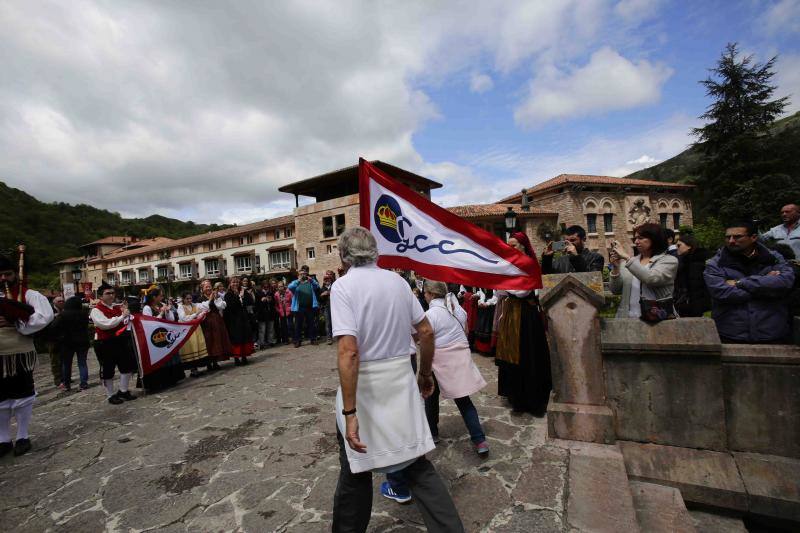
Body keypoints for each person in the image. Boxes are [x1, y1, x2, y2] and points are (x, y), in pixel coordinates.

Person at [331, 227, 464, 532]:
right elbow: (426, 332)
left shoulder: (343, 288)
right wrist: (425, 373)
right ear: (374, 251)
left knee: (354, 472)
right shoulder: (398, 282)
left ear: (343, 254)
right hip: (400, 378)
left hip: (365, 386)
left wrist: (349, 413)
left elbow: (349, 352)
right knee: (416, 464)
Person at [422, 281, 488, 454]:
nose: (424, 295)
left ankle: (433, 433)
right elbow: (465, 330)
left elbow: (426, 340)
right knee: (463, 400)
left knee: (430, 397)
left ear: (430, 293)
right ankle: (479, 439)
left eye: (425, 292)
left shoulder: (430, 315)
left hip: (440, 360)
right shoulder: (457, 309)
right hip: (459, 357)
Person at [704, 221, 795, 343]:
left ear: (753, 238)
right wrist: (765, 286)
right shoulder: (715, 263)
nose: (731, 241)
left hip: (771, 331)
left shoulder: (773, 258)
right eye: (728, 237)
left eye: (737, 237)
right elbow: (721, 292)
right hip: (732, 333)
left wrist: (740, 283)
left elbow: (785, 282)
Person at [0, 254, 54, 456]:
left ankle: (22, 435)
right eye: (0, 275)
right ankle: (3, 439)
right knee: (1, 398)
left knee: (22, 393)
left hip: (18, 352)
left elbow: (44, 316)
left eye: (7, 274)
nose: (3, 279)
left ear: (15, 274)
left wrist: (16, 322)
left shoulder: (29, 295)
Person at [494, 232, 552, 416]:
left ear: (524, 247)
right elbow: (499, 293)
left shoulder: (529, 265)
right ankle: (515, 397)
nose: (511, 249)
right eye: (508, 246)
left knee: (527, 355)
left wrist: (504, 283)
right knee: (511, 356)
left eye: (514, 246)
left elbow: (522, 292)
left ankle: (531, 399)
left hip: (526, 316)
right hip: (511, 313)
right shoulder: (508, 266)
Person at [609, 223, 679, 319]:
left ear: (654, 239)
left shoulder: (669, 260)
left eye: (641, 238)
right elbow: (615, 290)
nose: (636, 242)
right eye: (635, 239)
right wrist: (616, 268)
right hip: (629, 319)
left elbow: (651, 278)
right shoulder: (630, 262)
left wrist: (626, 256)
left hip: (658, 319)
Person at [90, 282, 137, 404]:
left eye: (112, 293)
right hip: (105, 342)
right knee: (108, 369)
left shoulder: (117, 307)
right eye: (108, 293)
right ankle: (110, 395)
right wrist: (122, 317)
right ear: (100, 296)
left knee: (126, 366)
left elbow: (126, 321)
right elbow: (105, 324)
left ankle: (123, 390)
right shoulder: (96, 310)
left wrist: (127, 316)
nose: (111, 295)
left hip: (120, 341)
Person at [141, 287, 185, 389]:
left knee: (169, 356)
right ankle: (160, 381)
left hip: (166, 335)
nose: (162, 297)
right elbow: (149, 322)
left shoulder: (162, 305)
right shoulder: (147, 308)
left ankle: (172, 378)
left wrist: (167, 311)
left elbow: (171, 319)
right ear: (154, 297)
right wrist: (161, 313)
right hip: (156, 337)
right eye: (160, 295)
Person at [56, 296, 90, 391]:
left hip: (67, 342)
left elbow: (54, 326)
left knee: (66, 364)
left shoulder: (63, 315)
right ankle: (84, 383)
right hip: (82, 341)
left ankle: (66, 384)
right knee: (82, 363)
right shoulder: (84, 314)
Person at [673, 234, 711, 317]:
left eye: (679, 245)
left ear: (689, 246)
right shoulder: (684, 261)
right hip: (686, 303)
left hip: (693, 304)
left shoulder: (696, 263)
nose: (677, 248)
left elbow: (696, 286)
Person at [197, 280, 228, 371]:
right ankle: (208, 363)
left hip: (216, 319)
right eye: (206, 287)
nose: (209, 288)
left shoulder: (216, 296)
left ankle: (215, 361)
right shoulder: (200, 298)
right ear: (202, 289)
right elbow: (204, 308)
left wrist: (217, 298)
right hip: (206, 321)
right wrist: (211, 299)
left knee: (216, 340)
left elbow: (222, 306)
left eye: (210, 286)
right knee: (208, 341)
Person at [177, 292, 209, 378]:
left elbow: (203, 312)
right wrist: (196, 314)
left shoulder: (195, 305)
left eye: (190, 298)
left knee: (197, 346)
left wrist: (201, 315)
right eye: (187, 299)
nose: (189, 300)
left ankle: (196, 369)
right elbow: (184, 318)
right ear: (183, 299)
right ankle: (192, 369)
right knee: (190, 347)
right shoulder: (180, 307)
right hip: (187, 329)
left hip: (196, 328)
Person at [224, 277, 254, 365]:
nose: (235, 284)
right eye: (233, 282)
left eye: (237, 282)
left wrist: (244, 296)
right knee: (236, 338)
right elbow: (231, 307)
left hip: (243, 318)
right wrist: (237, 296)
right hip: (234, 320)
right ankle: (236, 358)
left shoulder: (243, 291)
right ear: (230, 284)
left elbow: (250, 302)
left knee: (244, 336)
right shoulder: (228, 294)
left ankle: (244, 357)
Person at [288, 266, 320, 347]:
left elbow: (317, 286)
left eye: (304, 274)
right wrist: (298, 280)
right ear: (298, 275)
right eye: (301, 274)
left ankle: (313, 339)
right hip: (299, 307)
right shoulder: (295, 282)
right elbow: (290, 287)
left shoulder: (310, 282)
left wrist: (311, 280)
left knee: (311, 324)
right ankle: (298, 341)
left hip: (310, 306)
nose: (303, 275)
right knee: (298, 325)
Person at [472, 288, 497, 355]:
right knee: (481, 325)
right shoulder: (483, 283)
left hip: (491, 307)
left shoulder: (494, 285)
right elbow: (481, 293)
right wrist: (481, 301)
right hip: (483, 307)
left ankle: (487, 349)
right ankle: (480, 348)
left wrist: (488, 303)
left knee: (488, 326)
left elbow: (496, 296)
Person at [47, 296, 65, 388]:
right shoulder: (50, 311)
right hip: (53, 339)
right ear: (54, 302)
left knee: (63, 359)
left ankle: (64, 377)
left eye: (62, 301)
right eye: (59, 301)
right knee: (55, 360)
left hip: (63, 339)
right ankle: (58, 379)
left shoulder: (64, 311)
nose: (61, 302)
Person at [255, 280, 277, 349]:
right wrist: (262, 301)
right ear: (262, 286)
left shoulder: (271, 292)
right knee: (262, 329)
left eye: (267, 285)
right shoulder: (258, 293)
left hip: (270, 313)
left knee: (271, 328)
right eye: (264, 285)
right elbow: (256, 304)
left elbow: (274, 302)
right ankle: (261, 343)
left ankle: (271, 341)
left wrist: (270, 300)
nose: (266, 286)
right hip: (262, 314)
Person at [240, 276, 258, 349]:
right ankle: (249, 344)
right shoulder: (240, 290)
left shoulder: (251, 289)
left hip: (252, 311)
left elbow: (254, 300)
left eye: (247, 281)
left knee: (253, 326)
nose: (245, 282)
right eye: (244, 281)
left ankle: (254, 342)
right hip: (244, 311)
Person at [318, 271, 335, 345]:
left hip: (335, 307)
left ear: (331, 280)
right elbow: (319, 300)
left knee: (336, 322)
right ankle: (329, 338)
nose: (327, 281)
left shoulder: (334, 286)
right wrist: (321, 295)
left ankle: (338, 336)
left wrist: (330, 292)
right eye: (325, 280)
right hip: (326, 307)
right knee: (328, 323)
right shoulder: (322, 289)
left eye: (328, 279)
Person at [274, 280, 293, 345]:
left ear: (284, 286)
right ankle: (286, 340)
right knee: (283, 326)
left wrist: (291, 308)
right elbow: (276, 304)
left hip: (289, 311)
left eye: (281, 286)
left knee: (290, 325)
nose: (280, 288)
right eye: (279, 287)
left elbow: (292, 301)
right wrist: (278, 310)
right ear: (277, 287)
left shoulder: (289, 292)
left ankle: (293, 337)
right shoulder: (276, 294)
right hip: (281, 312)